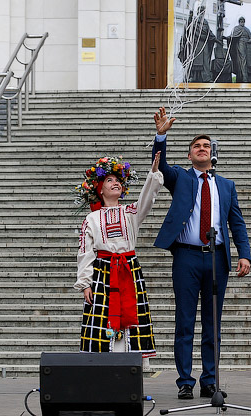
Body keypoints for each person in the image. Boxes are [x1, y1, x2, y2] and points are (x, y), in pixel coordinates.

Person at [151, 106, 251, 400]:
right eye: (196, 146)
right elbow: (159, 166)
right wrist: (161, 136)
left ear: (213, 153)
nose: (202, 149)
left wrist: (243, 254)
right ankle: (185, 380)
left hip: (216, 256)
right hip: (187, 256)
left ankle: (210, 379)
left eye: (206, 146)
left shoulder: (226, 185)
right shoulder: (180, 178)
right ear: (189, 155)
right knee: (184, 321)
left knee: (213, 323)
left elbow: (237, 222)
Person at [74, 153, 163, 360]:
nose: (116, 183)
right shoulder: (91, 219)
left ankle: (131, 369)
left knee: (131, 316)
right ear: (100, 188)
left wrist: (153, 173)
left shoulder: (131, 211)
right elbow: (85, 252)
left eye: (118, 180)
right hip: (103, 272)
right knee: (104, 317)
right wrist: (85, 283)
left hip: (128, 269)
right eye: (109, 180)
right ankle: (104, 368)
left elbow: (146, 199)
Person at [177, 6, 216, 83]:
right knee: (193, 60)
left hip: (204, 44)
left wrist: (215, 39)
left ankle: (206, 78)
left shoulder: (205, 22)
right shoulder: (193, 20)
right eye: (200, 11)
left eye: (203, 11)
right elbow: (188, 28)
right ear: (198, 12)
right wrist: (190, 17)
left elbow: (209, 32)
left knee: (205, 61)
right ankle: (191, 77)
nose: (202, 12)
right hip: (195, 43)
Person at [229, 17, 251, 84]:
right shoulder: (236, 28)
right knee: (243, 59)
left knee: (248, 60)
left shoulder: (247, 29)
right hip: (240, 43)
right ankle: (244, 77)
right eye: (241, 21)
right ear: (239, 22)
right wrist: (227, 37)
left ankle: (249, 77)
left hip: (248, 45)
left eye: (243, 21)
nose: (242, 22)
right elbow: (232, 36)